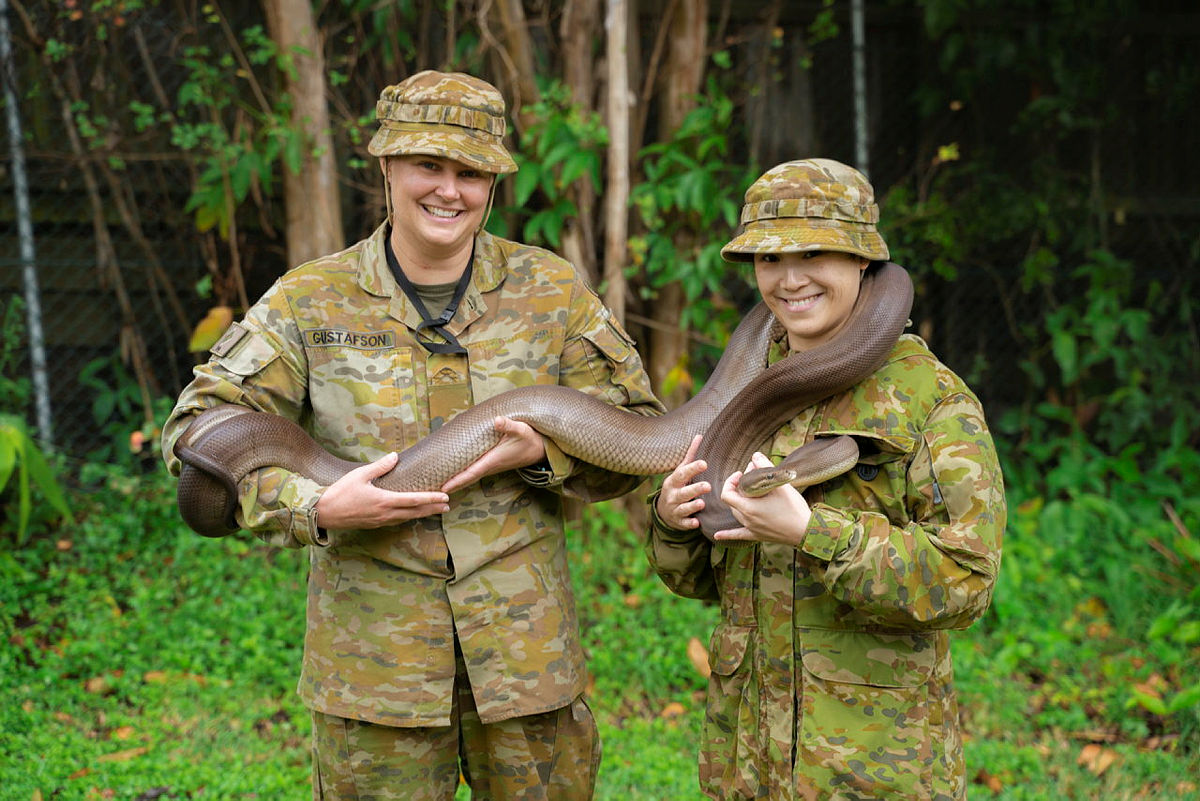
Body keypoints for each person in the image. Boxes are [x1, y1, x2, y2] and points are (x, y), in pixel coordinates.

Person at [161, 70, 663, 801]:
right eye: (429, 165)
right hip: (374, 674)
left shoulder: (550, 291)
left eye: (471, 171)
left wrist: (548, 453)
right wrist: (316, 508)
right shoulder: (310, 298)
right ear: (388, 164)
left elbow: (641, 435)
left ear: (493, 180)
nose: (449, 190)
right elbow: (198, 429)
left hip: (526, 667)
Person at [646, 159, 1006, 800]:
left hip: (872, 770)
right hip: (748, 764)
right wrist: (674, 522)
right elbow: (700, 580)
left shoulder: (930, 402)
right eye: (768, 259)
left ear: (864, 261)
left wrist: (812, 532)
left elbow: (966, 581)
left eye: (815, 253)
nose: (789, 280)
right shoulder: (748, 393)